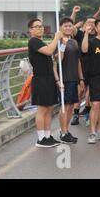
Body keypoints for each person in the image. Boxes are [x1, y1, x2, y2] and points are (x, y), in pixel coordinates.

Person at [28, 18, 62, 148]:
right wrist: (56, 38)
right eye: (36, 26)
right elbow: (48, 51)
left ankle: (48, 136)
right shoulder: (34, 41)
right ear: (30, 30)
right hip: (40, 79)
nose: (40, 28)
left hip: (49, 78)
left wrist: (57, 80)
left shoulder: (41, 41)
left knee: (49, 108)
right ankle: (41, 138)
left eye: (41, 26)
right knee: (42, 109)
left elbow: (52, 59)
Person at [56, 17, 84, 144]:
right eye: (65, 26)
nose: (68, 28)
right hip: (64, 78)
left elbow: (78, 62)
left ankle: (66, 131)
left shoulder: (74, 42)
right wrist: (63, 45)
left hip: (73, 78)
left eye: (70, 26)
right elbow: (58, 60)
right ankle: (62, 132)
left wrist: (81, 78)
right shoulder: (58, 41)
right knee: (64, 106)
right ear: (61, 27)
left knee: (71, 106)